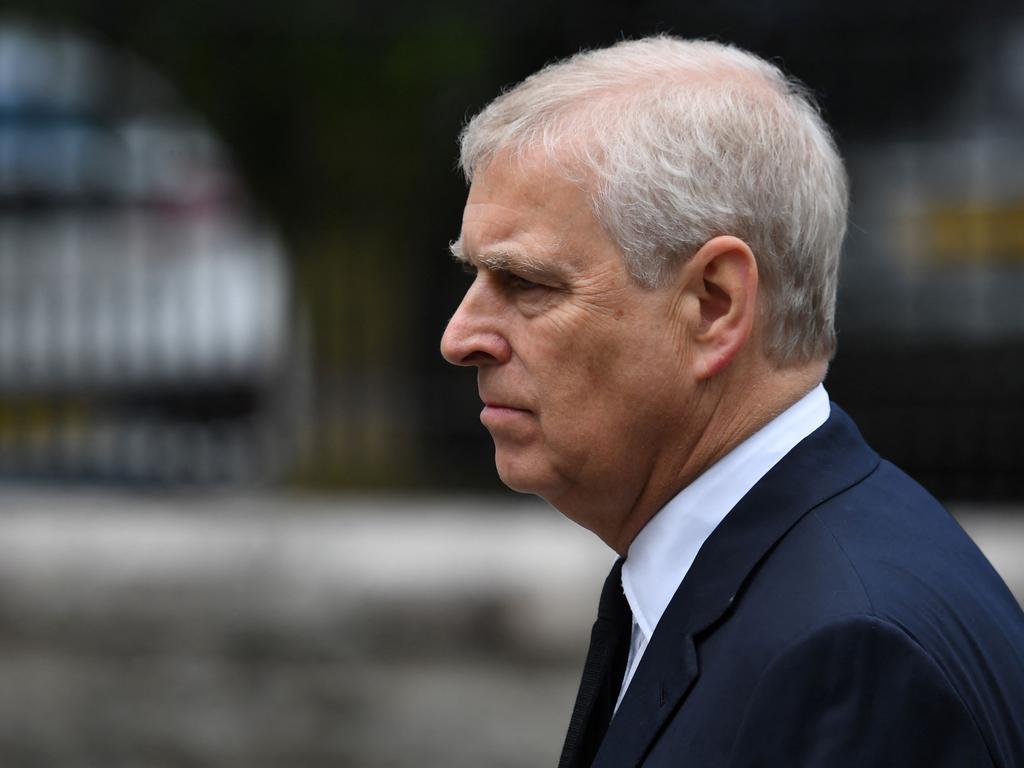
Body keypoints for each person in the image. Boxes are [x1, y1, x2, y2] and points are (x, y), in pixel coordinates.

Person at [440, 36, 1024, 768]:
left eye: (526, 284)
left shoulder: (846, 655)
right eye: (473, 276)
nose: (460, 338)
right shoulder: (764, 578)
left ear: (714, 305)